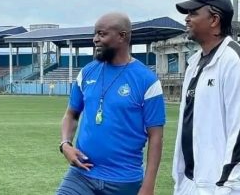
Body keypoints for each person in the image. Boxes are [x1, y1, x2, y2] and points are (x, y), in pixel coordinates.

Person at [56, 12, 166, 195]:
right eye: (95, 34)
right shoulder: (87, 72)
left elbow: (156, 137)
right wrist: (65, 144)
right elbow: (71, 114)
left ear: (122, 36)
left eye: (102, 34)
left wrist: (148, 186)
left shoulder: (147, 80)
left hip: (124, 180)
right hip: (82, 173)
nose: (95, 39)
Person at [172, 0, 240, 195]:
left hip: (221, 186)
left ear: (214, 20)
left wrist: (226, 186)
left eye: (193, 13)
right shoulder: (194, 63)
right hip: (192, 182)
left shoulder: (235, 61)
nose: (187, 19)